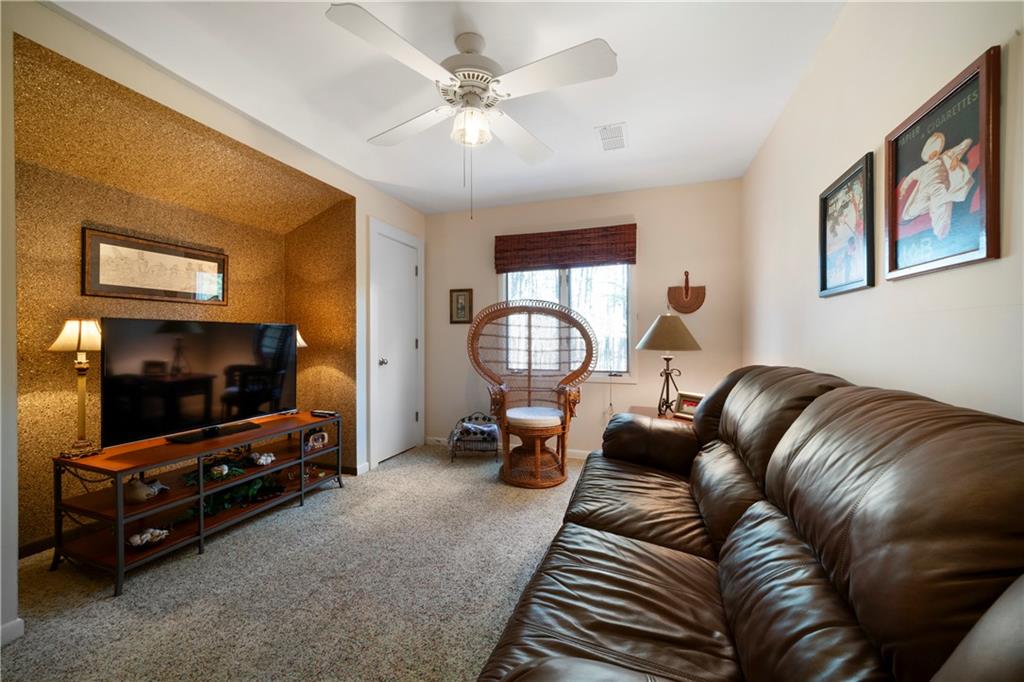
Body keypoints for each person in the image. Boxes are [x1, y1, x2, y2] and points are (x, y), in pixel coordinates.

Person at [899, 131, 974, 239]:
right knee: (911, 212)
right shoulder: (922, 169)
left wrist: (955, 158)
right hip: (924, 191)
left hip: (938, 188)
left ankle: (941, 234)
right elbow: (910, 177)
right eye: (931, 152)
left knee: (942, 211)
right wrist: (903, 190)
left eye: (935, 150)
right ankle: (932, 204)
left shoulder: (945, 157)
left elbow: (967, 142)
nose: (933, 153)